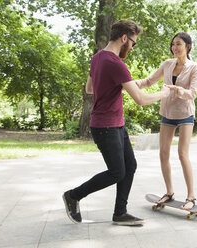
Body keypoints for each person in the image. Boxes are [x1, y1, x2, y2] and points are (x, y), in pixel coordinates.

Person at [62, 20, 170, 225]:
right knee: (117, 171)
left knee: (129, 166)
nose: (132, 47)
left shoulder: (97, 58)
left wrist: (119, 84)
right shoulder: (116, 63)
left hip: (114, 124)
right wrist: (162, 94)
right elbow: (140, 100)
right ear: (124, 38)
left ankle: (120, 213)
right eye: (133, 43)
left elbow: (90, 89)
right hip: (106, 126)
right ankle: (73, 196)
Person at [134, 32, 197, 210]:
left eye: (178, 44)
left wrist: (177, 90)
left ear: (188, 46)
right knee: (163, 154)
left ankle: (191, 196)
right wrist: (130, 83)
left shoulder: (194, 67)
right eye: (173, 44)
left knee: (182, 154)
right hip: (167, 113)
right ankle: (169, 193)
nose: (174, 48)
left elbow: (193, 93)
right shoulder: (167, 64)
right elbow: (149, 81)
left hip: (185, 113)